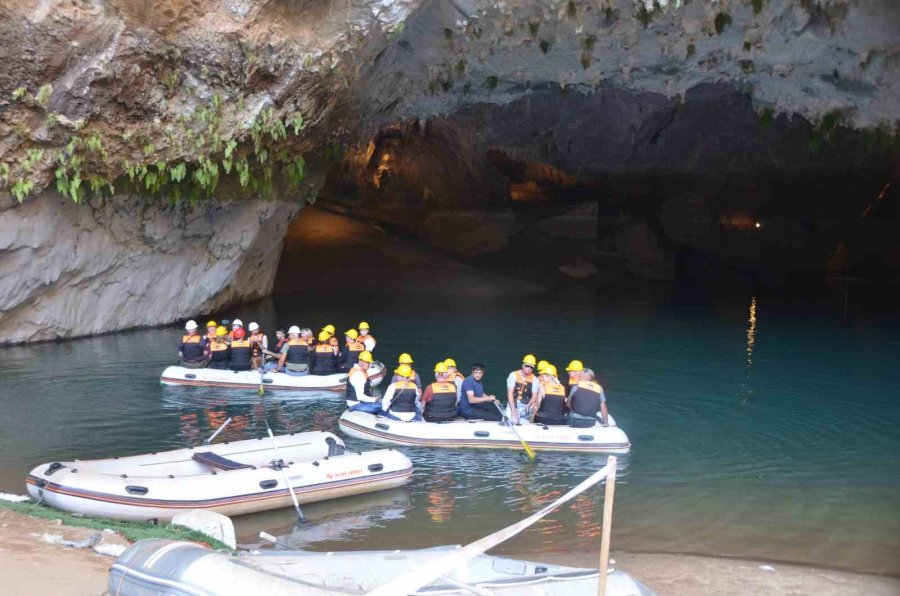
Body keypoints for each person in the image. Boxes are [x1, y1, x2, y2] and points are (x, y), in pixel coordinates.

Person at [506, 354, 537, 423]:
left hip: (525, 406)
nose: (529, 368)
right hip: (513, 404)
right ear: (523, 365)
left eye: (531, 367)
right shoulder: (513, 375)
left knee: (525, 426)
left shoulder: (535, 379)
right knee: (511, 421)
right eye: (527, 366)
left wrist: (528, 405)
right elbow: (510, 393)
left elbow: (534, 396)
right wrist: (513, 410)